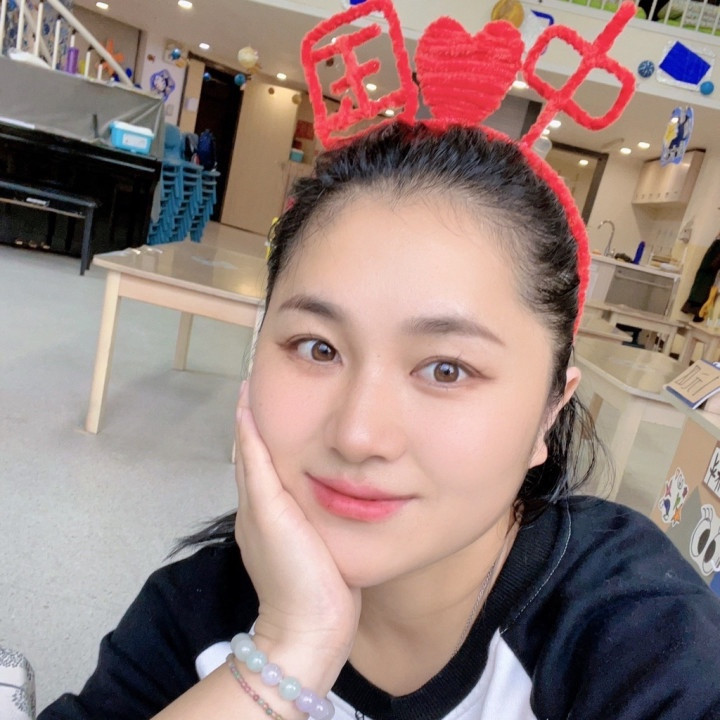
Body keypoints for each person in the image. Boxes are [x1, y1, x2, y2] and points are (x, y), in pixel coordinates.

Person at [39, 122, 720, 720]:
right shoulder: (195, 613)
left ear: (551, 410)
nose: (358, 435)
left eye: (446, 369)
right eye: (318, 348)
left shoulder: (638, 633)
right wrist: (288, 647)